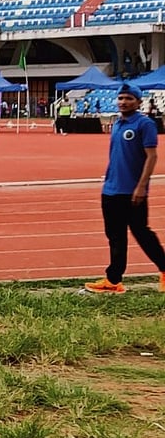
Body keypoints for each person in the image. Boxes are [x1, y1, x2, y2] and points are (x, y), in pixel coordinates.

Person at [85, 83, 165, 294]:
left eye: (129, 98)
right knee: (115, 237)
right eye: (121, 98)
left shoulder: (144, 124)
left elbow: (152, 156)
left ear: (138, 102)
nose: (123, 102)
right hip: (111, 190)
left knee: (142, 233)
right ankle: (113, 280)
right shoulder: (118, 124)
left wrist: (141, 187)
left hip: (132, 191)